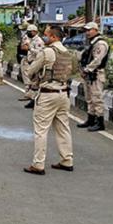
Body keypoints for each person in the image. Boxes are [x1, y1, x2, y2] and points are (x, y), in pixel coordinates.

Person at [23, 27, 74, 175]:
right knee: (63, 128)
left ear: (52, 37)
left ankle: (38, 164)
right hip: (64, 93)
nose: (44, 38)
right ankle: (67, 160)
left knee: (41, 130)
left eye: (46, 35)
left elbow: (31, 70)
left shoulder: (47, 52)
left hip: (48, 94)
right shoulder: (67, 53)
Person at [77, 22, 109, 132]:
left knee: (97, 98)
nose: (87, 32)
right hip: (89, 74)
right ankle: (90, 119)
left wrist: (87, 69)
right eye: (86, 30)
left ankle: (100, 122)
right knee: (89, 98)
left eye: (89, 30)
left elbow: (97, 60)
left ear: (96, 30)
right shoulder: (91, 43)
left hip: (96, 74)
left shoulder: (100, 43)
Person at [20, 24, 44, 108]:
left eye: (30, 32)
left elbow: (40, 53)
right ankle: (31, 97)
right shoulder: (30, 39)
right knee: (29, 80)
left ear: (35, 32)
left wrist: (30, 48)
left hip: (35, 62)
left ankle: (34, 100)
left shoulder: (38, 41)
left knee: (35, 82)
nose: (28, 33)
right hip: (28, 61)